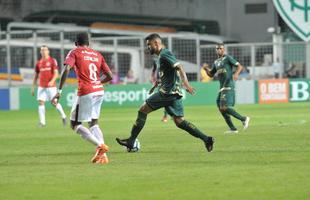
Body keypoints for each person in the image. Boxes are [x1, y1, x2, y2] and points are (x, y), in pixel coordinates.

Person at [116, 33, 214, 152]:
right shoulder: (161, 57)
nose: (148, 48)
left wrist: (186, 84)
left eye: (149, 45)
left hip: (167, 93)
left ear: (156, 43)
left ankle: (131, 141)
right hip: (174, 94)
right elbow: (169, 74)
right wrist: (158, 83)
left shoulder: (165, 54)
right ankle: (206, 139)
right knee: (179, 121)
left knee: (142, 110)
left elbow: (179, 67)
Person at [52, 33, 113, 164]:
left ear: (76, 43)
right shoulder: (97, 54)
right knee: (94, 123)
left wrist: (59, 90)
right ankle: (103, 155)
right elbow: (109, 75)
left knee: (74, 124)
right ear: (88, 43)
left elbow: (66, 69)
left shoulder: (75, 52)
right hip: (99, 91)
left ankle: (100, 146)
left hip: (86, 91)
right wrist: (97, 83)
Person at [205, 43, 250, 134]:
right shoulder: (216, 62)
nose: (219, 50)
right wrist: (206, 69)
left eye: (220, 48)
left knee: (224, 107)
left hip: (228, 85)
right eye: (217, 49)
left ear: (224, 49)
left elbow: (240, 66)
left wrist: (236, 74)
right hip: (221, 88)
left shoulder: (228, 58)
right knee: (220, 108)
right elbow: (211, 74)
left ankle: (244, 118)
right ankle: (233, 128)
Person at [31, 45, 67, 127]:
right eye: (42, 50)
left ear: (48, 51)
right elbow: (36, 76)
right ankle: (42, 122)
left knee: (54, 103)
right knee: (41, 102)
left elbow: (56, 73)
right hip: (41, 86)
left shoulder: (52, 61)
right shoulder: (38, 63)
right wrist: (33, 87)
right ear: (40, 52)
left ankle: (63, 116)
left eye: (45, 50)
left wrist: (52, 81)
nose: (43, 51)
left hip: (51, 86)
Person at [150, 58, 169, 123]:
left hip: (166, 84)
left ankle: (166, 116)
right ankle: (168, 115)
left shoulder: (166, 62)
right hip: (160, 84)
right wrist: (153, 77)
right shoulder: (156, 63)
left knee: (166, 101)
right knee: (166, 101)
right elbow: (154, 70)